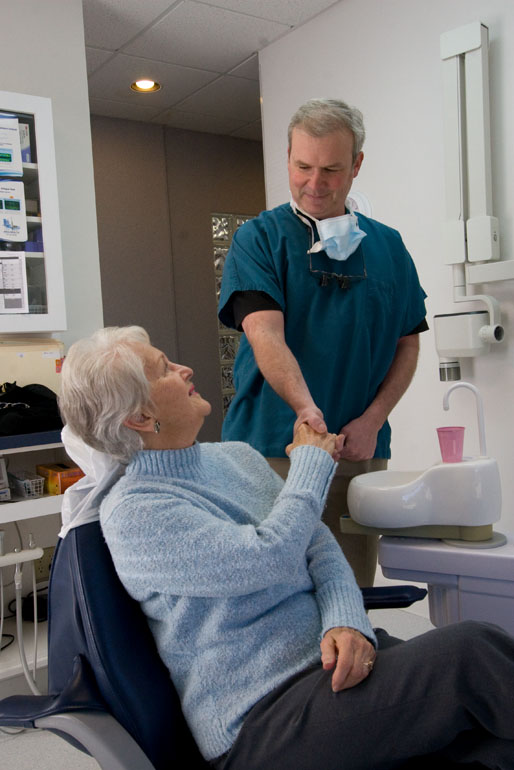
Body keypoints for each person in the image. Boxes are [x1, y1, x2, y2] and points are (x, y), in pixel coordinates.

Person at [58, 325, 514, 770]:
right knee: (473, 655)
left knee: (489, 744)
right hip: (263, 716)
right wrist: (312, 463)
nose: (184, 368)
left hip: (335, 666)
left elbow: (316, 544)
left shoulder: (235, 457)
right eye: (165, 369)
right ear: (139, 417)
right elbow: (269, 558)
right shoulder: (137, 514)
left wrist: (346, 619)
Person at [218, 99, 428, 585]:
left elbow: (407, 343)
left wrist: (374, 420)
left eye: (332, 169)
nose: (314, 183)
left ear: (356, 166)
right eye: (302, 166)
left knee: (349, 593)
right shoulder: (259, 239)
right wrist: (307, 412)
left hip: (360, 451)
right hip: (274, 448)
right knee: (274, 594)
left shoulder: (390, 247)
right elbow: (263, 331)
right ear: (288, 159)